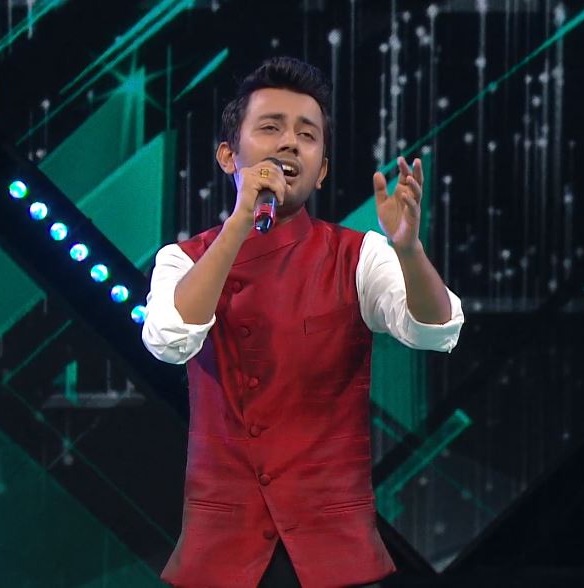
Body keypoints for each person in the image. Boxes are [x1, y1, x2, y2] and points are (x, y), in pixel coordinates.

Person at [142, 56, 465, 588]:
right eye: (271, 128)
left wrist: (409, 250)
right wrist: (241, 221)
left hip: (334, 553)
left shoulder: (360, 256)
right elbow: (168, 341)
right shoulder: (182, 260)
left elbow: (434, 330)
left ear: (323, 169)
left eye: (307, 135)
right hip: (221, 553)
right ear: (228, 155)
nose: (290, 143)